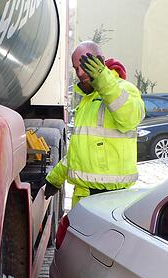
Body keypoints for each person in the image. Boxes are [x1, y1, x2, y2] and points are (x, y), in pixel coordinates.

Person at [44, 41, 145, 206]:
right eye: (76, 68)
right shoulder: (86, 101)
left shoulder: (125, 89)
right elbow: (79, 154)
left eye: (84, 65)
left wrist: (102, 79)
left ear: (100, 62)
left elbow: (130, 118)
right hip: (83, 198)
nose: (80, 73)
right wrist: (54, 180)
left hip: (112, 200)